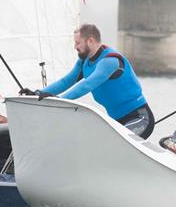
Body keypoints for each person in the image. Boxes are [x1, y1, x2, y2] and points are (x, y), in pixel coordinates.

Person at [21, 24, 154, 139]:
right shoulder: (84, 62)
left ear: (90, 41)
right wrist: (38, 93)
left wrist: (60, 100)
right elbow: (66, 81)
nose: (75, 47)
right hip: (116, 120)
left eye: (78, 43)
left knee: (115, 147)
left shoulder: (110, 61)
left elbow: (87, 84)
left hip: (140, 118)